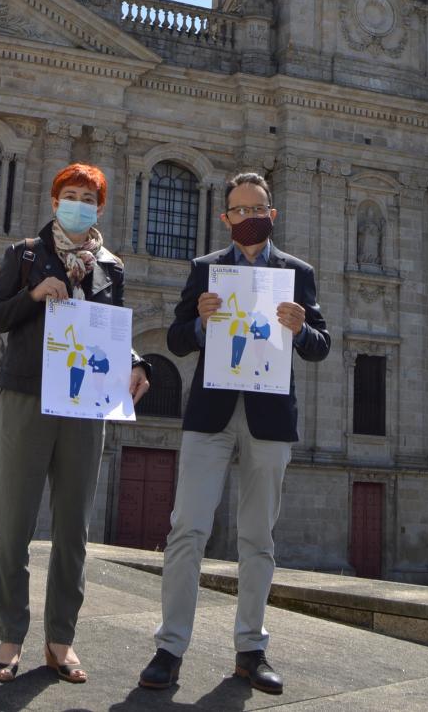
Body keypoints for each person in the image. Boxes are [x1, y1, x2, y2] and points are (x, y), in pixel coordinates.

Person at [138, 171, 330, 695]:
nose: (249, 217)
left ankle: (251, 649)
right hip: (211, 416)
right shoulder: (206, 270)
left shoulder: (297, 273)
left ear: (273, 214)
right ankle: (169, 648)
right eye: (239, 210)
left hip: (270, 418)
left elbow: (321, 345)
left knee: (257, 538)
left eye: (257, 209)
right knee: (187, 530)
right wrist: (200, 324)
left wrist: (300, 328)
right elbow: (176, 340)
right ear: (225, 218)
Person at [0, 162, 150, 685]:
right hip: (29, 393)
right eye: (70, 195)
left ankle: (61, 639)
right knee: (15, 523)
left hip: (86, 403)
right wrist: (33, 295)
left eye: (88, 197)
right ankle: (10, 635)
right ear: (55, 202)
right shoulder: (26, 255)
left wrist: (137, 362)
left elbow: (111, 330)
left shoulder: (111, 266)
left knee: (74, 527)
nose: (79, 203)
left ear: (99, 208)